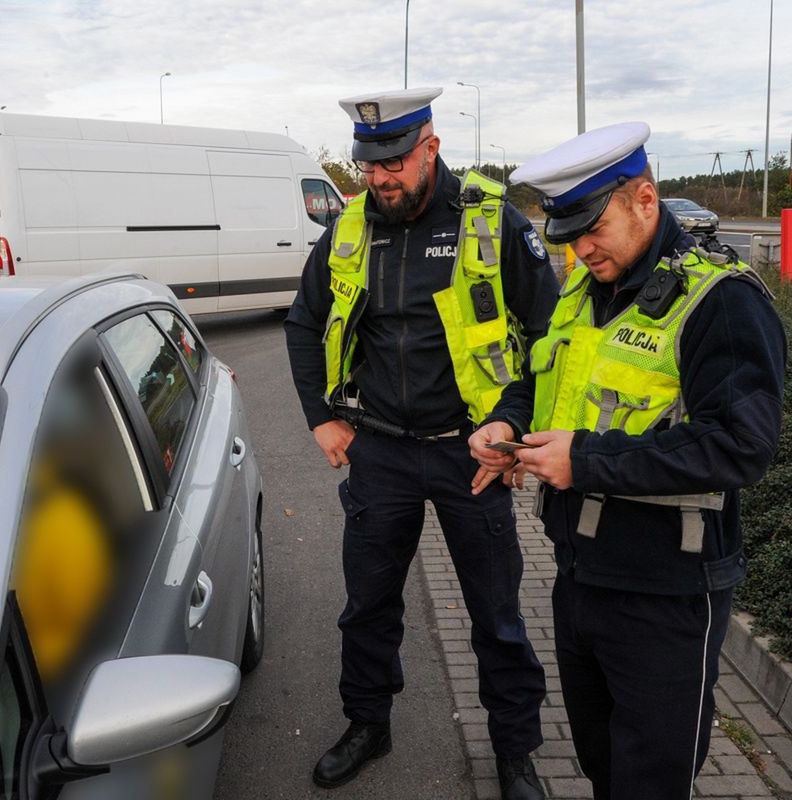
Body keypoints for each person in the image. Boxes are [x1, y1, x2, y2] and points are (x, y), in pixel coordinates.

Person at [469, 121, 786, 799]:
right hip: (580, 577)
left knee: (650, 779)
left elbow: (743, 444)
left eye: (593, 228)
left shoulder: (720, 300)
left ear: (646, 199)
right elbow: (541, 376)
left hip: (666, 594)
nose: (581, 251)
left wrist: (584, 462)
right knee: (601, 761)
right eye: (569, 236)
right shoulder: (586, 293)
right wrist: (508, 421)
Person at [285, 88, 557, 798]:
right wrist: (321, 415)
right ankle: (367, 724)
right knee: (367, 606)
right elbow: (303, 322)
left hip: (471, 454)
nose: (380, 178)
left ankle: (515, 752)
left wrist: (514, 426)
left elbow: (550, 338)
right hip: (380, 451)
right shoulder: (350, 228)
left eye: (395, 162)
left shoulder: (489, 221)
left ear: (431, 147)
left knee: (497, 614)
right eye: (369, 165)